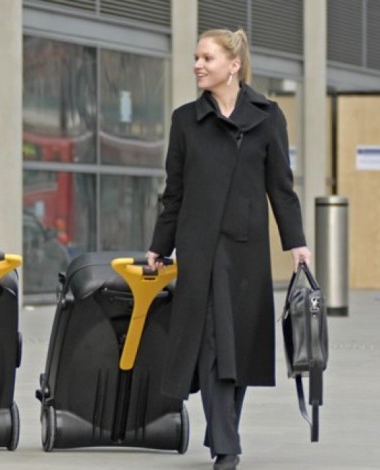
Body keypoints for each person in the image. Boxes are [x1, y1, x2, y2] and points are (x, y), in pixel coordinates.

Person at [146, 29, 311, 470]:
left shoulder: (267, 117)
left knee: (239, 343)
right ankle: (226, 444)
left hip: (246, 247)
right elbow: (174, 191)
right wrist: (160, 245)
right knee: (212, 343)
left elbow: (281, 186)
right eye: (196, 58)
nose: (198, 65)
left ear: (233, 65)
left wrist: (296, 242)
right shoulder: (186, 120)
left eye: (207, 58)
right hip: (199, 247)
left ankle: (223, 431)